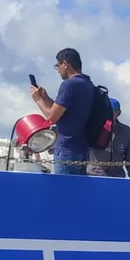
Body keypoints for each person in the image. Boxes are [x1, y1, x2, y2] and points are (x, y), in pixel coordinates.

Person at [29, 48, 94, 176]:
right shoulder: (87, 84)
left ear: (65, 64)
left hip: (66, 149)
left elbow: (52, 117)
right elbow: (64, 111)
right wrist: (46, 98)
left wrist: (38, 100)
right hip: (81, 148)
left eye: (57, 65)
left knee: (63, 192)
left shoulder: (68, 85)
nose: (58, 69)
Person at [88, 97, 130, 178]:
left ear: (118, 113)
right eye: (106, 110)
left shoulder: (126, 131)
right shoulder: (93, 128)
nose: (109, 113)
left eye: (112, 110)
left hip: (117, 177)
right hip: (94, 175)